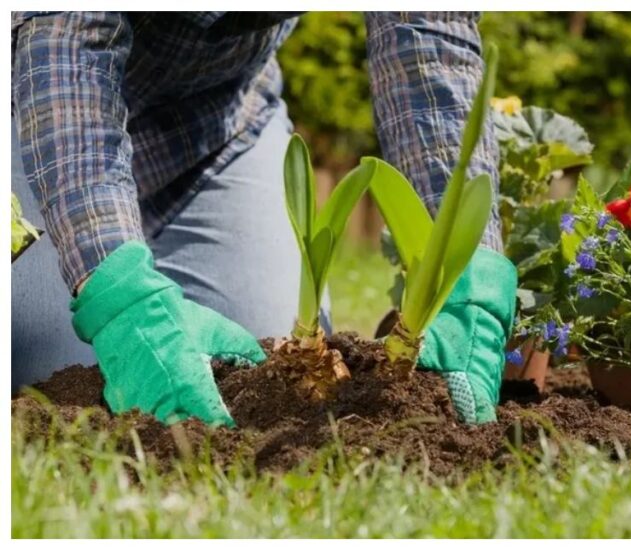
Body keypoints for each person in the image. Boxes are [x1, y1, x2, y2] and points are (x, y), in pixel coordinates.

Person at [11, 12, 517, 426]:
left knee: (272, 379)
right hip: (29, 111)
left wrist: (466, 274)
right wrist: (121, 298)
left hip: (213, 123)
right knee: (51, 380)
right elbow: (64, 42)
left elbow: (425, 37)